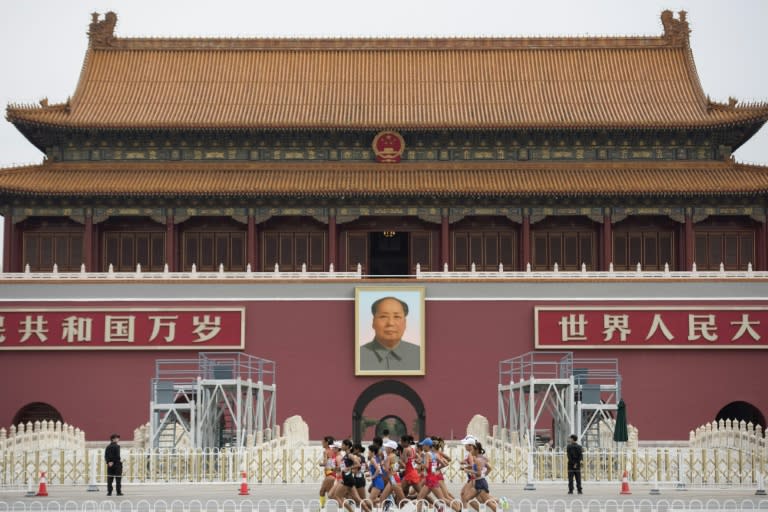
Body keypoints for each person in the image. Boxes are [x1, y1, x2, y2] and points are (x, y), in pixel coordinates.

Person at [359, 296, 420, 372]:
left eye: (397, 317)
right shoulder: (358, 356)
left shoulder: (420, 354)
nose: (390, 323)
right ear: (373, 322)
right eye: (383, 316)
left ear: (405, 323)